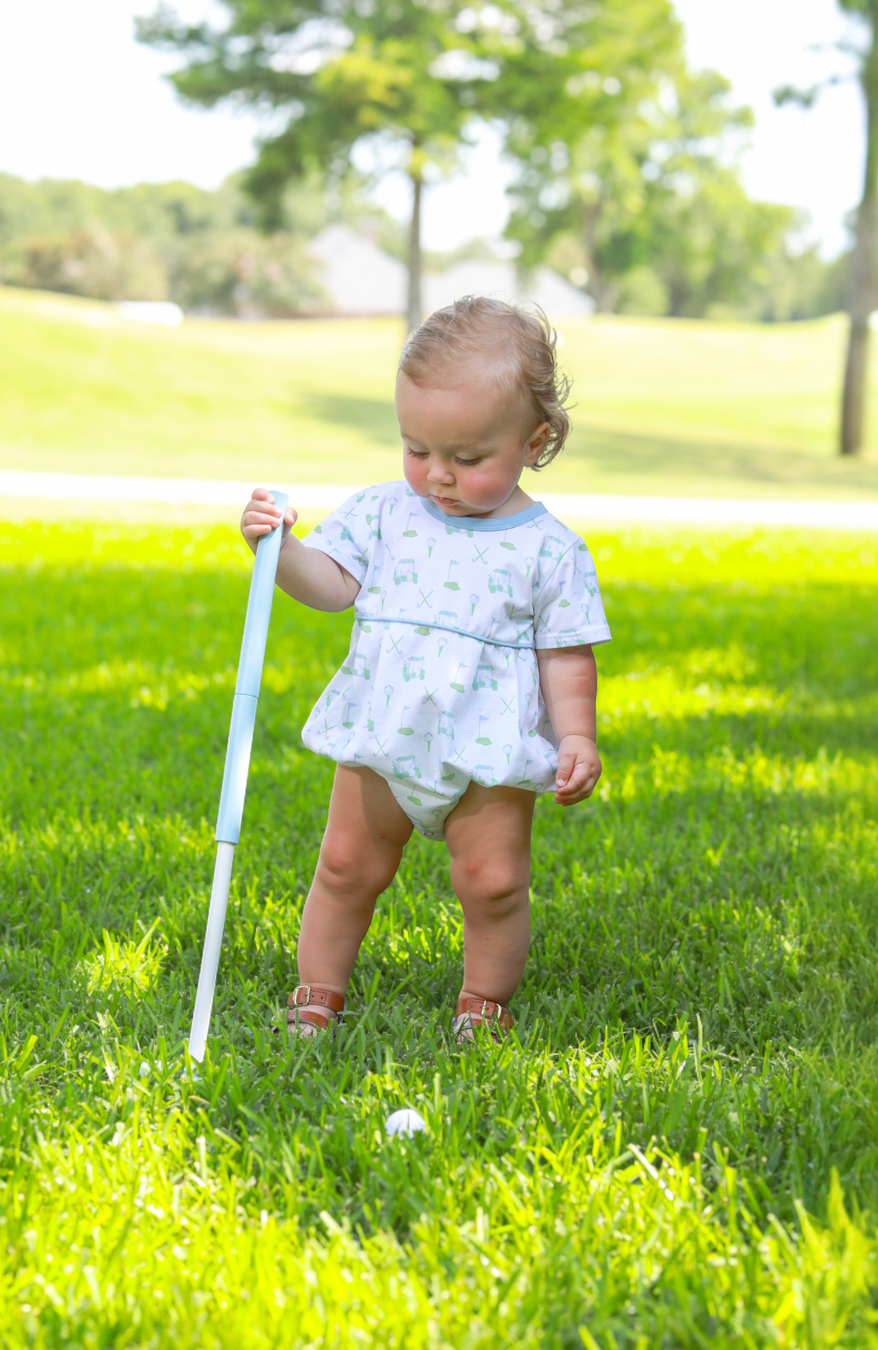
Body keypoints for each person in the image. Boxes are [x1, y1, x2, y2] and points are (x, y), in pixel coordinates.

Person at [240, 296, 611, 1043]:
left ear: (534, 440)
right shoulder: (384, 514)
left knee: (494, 882)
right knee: (344, 865)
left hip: (487, 750)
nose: (437, 475)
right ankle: (316, 996)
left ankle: (484, 1001)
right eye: (417, 449)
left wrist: (577, 737)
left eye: (468, 459)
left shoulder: (550, 550)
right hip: (386, 733)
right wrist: (281, 555)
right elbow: (331, 586)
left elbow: (565, 655)